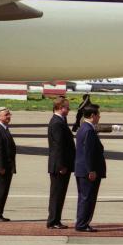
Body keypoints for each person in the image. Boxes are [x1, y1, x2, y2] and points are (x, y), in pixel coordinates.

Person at [74, 104, 106, 232]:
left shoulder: (84, 127)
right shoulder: (88, 130)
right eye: (98, 115)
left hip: (82, 169)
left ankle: (82, 222)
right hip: (88, 171)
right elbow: (88, 153)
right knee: (87, 198)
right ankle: (82, 224)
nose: (99, 117)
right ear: (92, 115)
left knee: (84, 197)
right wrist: (91, 170)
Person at [47, 97, 75, 229]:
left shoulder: (61, 120)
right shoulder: (57, 123)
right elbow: (58, 146)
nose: (69, 110)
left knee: (59, 194)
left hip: (62, 164)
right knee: (57, 194)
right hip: (60, 166)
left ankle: (55, 220)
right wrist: (61, 165)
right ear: (60, 107)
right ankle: (53, 221)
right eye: (67, 107)